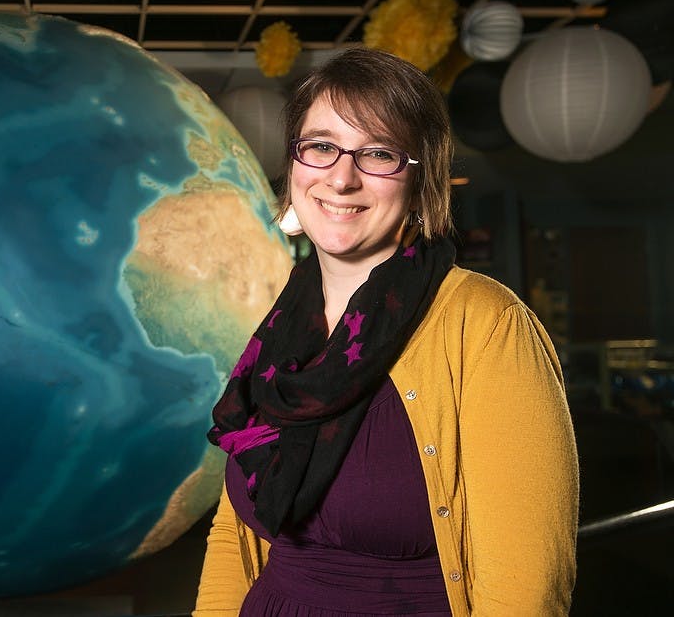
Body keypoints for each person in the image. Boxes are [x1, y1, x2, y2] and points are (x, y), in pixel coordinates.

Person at [193, 48, 579, 616]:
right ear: (296, 164)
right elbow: (236, 535)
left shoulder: (487, 326)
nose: (341, 177)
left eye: (378, 153)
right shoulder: (281, 331)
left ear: (420, 182)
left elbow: (525, 591)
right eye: (322, 146)